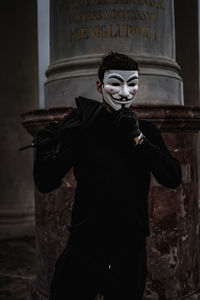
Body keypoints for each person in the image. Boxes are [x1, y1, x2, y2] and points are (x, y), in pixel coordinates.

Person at [33, 52, 182, 300]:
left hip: (129, 249)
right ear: (100, 86)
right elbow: (46, 182)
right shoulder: (81, 128)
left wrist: (138, 139)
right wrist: (45, 150)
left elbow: (173, 177)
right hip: (85, 244)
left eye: (132, 83)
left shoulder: (147, 132)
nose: (124, 92)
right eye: (115, 83)